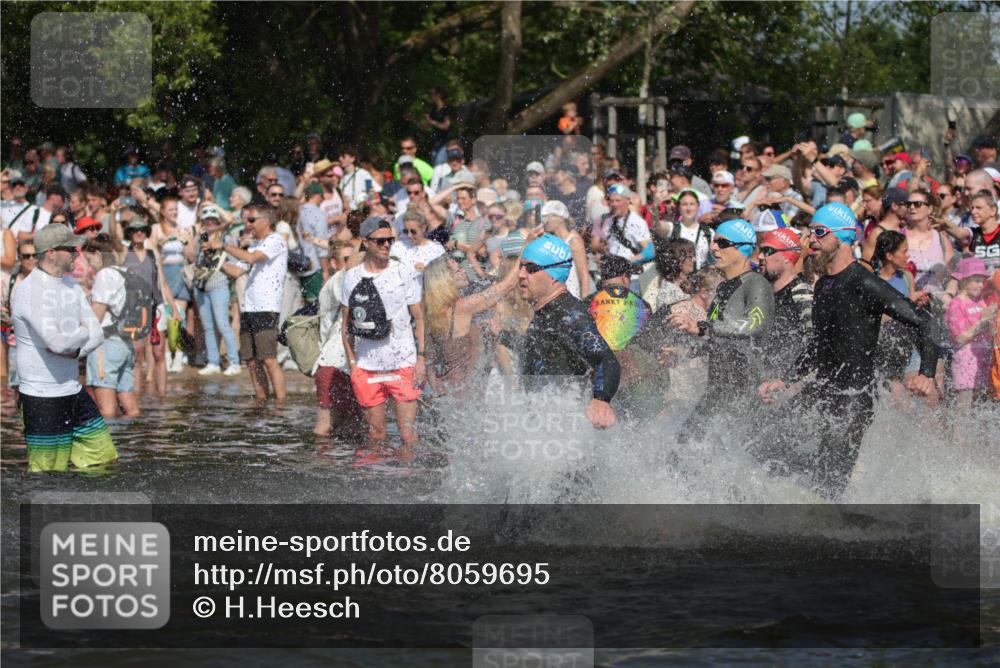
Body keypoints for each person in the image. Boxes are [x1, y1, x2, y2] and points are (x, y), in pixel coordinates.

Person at [758, 203, 940, 499]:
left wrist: (927, 373)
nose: (810, 241)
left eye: (818, 232)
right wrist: (786, 380)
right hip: (821, 390)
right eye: (809, 233)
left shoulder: (863, 282)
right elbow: (819, 344)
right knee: (766, 450)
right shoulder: (823, 286)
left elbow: (923, 322)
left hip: (853, 399)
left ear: (842, 238)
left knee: (828, 485)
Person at [11, 224, 117, 472]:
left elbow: (97, 333)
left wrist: (76, 349)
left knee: (103, 458)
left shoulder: (71, 287)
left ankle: (88, 507)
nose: (76, 253)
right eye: (70, 248)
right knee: (46, 472)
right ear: (50, 252)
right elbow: (56, 343)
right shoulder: (29, 291)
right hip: (41, 395)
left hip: (72, 390)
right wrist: (82, 333)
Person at [667, 219, 775, 444]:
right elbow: (719, 337)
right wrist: (686, 352)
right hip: (717, 392)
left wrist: (702, 326)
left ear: (743, 247)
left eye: (722, 243)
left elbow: (755, 325)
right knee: (681, 451)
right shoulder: (725, 287)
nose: (713, 247)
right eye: (714, 242)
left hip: (745, 396)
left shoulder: (757, 283)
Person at [341, 216, 426, 453]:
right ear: (365, 242)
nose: (387, 245)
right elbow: (345, 325)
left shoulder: (404, 272)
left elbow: (419, 317)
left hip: (403, 363)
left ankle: (408, 480)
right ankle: (375, 481)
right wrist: (352, 363)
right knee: (375, 434)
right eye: (380, 241)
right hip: (367, 365)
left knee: (408, 435)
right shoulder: (352, 277)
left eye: (390, 240)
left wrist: (421, 358)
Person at [518, 234, 619, 429]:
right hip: (543, 427)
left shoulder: (569, 314)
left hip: (565, 430)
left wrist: (601, 399)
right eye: (521, 266)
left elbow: (606, 359)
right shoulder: (547, 311)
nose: (521, 274)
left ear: (555, 275)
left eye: (531, 268)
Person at [422, 253, 519, 398]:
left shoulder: (434, 311)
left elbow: (429, 356)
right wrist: (526, 248)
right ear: (445, 281)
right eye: (458, 271)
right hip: (467, 393)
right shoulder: (462, 307)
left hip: (449, 390)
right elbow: (507, 285)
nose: (464, 271)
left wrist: (433, 381)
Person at [222, 204, 288, 403]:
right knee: (251, 361)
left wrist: (223, 246)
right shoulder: (255, 245)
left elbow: (251, 258)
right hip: (248, 308)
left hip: (266, 308)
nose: (247, 224)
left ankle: (281, 404)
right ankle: (261, 401)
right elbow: (235, 271)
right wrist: (214, 261)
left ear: (265, 221)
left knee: (268, 359)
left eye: (251, 220)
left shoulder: (276, 240)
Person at [81, 235, 141, 419]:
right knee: (131, 409)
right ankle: (133, 441)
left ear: (98, 254)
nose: (90, 265)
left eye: (89, 259)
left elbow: (98, 311)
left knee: (106, 410)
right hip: (125, 345)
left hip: (105, 346)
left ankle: (108, 446)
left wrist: (80, 335)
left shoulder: (105, 274)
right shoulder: (125, 272)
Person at [313, 239, 364, 437]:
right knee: (325, 426)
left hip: (350, 365)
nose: (356, 262)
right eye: (347, 258)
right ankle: (322, 464)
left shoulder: (353, 283)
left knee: (353, 426)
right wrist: (366, 237)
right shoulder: (336, 282)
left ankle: (345, 466)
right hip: (333, 364)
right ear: (334, 263)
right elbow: (350, 270)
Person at [191, 205, 242, 376]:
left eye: (213, 219)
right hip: (201, 285)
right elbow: (190, 257)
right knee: (208, 326)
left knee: (222, 324)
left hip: (219, 284)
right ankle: (213, 361)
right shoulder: (200, 238)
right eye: (207, 219)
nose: (210, 222)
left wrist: (212, 206)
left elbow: (230, 220)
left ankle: (234, 361)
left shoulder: (224, 238)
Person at [758, 228, 812, 378]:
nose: (761, 256)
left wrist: (788, 383)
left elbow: (815, 344)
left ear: (787, 257)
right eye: (761, 250)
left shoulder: (801, 292)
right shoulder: (762, 292)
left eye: (768, 251)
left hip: (786, 386)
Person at [149, 195, 195, 372]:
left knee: (179, 318)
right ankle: (168, 355)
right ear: (162, 211)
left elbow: (191, 257)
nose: (174, 212)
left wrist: (185, 242)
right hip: (163, 273)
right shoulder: (155, 229)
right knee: (167, 316)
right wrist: (166, 240)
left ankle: (179, 356)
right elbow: (151, 251)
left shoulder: (184, 229)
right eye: (171, 209)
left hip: (180, 272)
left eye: (176, 209)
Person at [945, 257, 995, 414]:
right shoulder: (956, 304)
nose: (981, 285)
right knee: (964, 409)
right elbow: (959, 337)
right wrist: (983, 321)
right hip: (965, 363)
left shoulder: (980, 301)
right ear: (964, 280)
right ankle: (959, 439)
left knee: (981, 408)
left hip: (984, 360)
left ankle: (979, 440)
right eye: (977, 281)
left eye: (982, 281)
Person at [540, 200, 589, 298]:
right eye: (543, 218)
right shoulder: (549, 240)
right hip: (553, 297)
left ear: (560, 218)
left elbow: (583, 275)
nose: (545, 221)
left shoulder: (573, 241)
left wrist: (586, 302)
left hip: (571, 296)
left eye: (548, 217)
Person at [389, 208, 445, 282]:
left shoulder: (436, 249)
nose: (409, 235)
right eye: (406, 231)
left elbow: (444, 275)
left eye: (413, 231)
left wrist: (426, 271)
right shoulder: (397, 247)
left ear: (423, 228)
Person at [668, 190, 714, 269]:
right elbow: (657, 226)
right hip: (678, 279)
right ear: (679, 207)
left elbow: (713, 259)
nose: (688, 208)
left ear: (698, 206)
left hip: (700, 279)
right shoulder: (671, 228)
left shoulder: (709, 232)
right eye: (684, 204)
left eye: (692, 204)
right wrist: (655, 207)